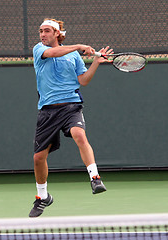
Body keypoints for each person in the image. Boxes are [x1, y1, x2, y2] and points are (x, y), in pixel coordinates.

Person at [29, 18, 113, 218]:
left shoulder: (73, 56)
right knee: (39, 158)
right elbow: (53, 53)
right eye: (41, 31)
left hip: (71, 106)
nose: (42, 34)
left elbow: (82, 80)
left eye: (47, 31)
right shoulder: (39, 50)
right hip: (47, 111)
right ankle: (43, 197)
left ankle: (95, 178)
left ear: (57, 33)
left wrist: (95, 63)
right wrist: (79, 47)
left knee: (80, 135)